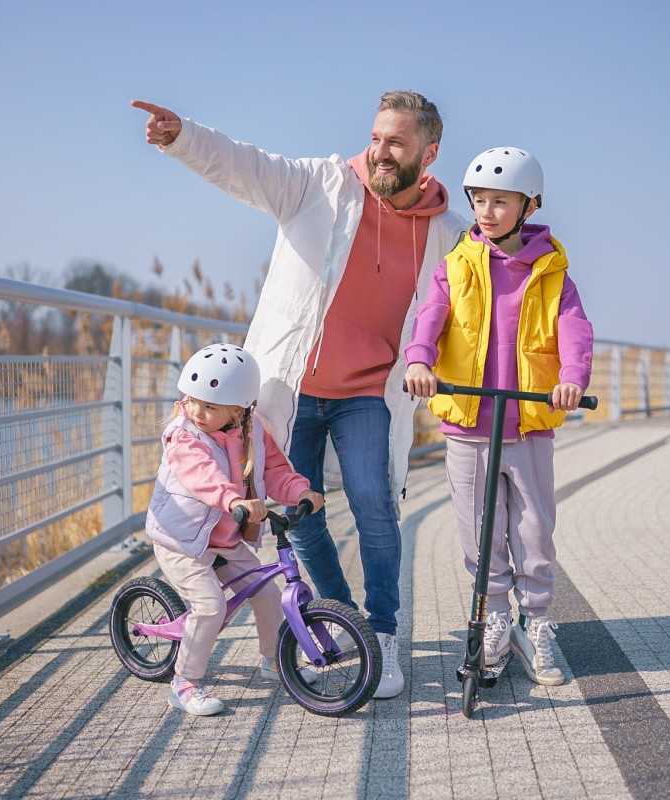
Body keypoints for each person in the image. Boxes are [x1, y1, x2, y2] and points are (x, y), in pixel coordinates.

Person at [132, 92, 467, 699]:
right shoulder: (321, 186)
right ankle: (344, 620)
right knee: (298, 510)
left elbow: (490, 285)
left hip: (371, 393)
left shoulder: (448, 232)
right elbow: (245, 165)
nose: (380, 151)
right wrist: (184, 137)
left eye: (397, 142)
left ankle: (384, 635)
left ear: (429, 152)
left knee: (374, 503)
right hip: (292, 388)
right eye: (376, 137)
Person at [403, 147, 593, 686]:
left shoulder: (553, 271)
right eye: (479, 201)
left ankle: (537, 624)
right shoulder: (456, 266)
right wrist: (420, 361)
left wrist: (572, 377)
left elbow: (575, 329)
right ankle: (496, 619)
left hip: (529, 423)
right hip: (468, 426)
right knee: (480, 533)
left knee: (534, 530)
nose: (486, 212)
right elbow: (429, 319)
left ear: (528, 205)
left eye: (500, 202)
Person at [145, 342, 324, 715]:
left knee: (269, 594)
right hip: (182, 541)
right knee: (210, 606)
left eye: (209, 406)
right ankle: (184, 683)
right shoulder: (184, 436)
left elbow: (274, 470)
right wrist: (233, 500)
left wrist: (300, 490)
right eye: (191, 399)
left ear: (239, 409)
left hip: (224, 540)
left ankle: (275, 659)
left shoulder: (252, 431)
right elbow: (202, 477)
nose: (196, 410)